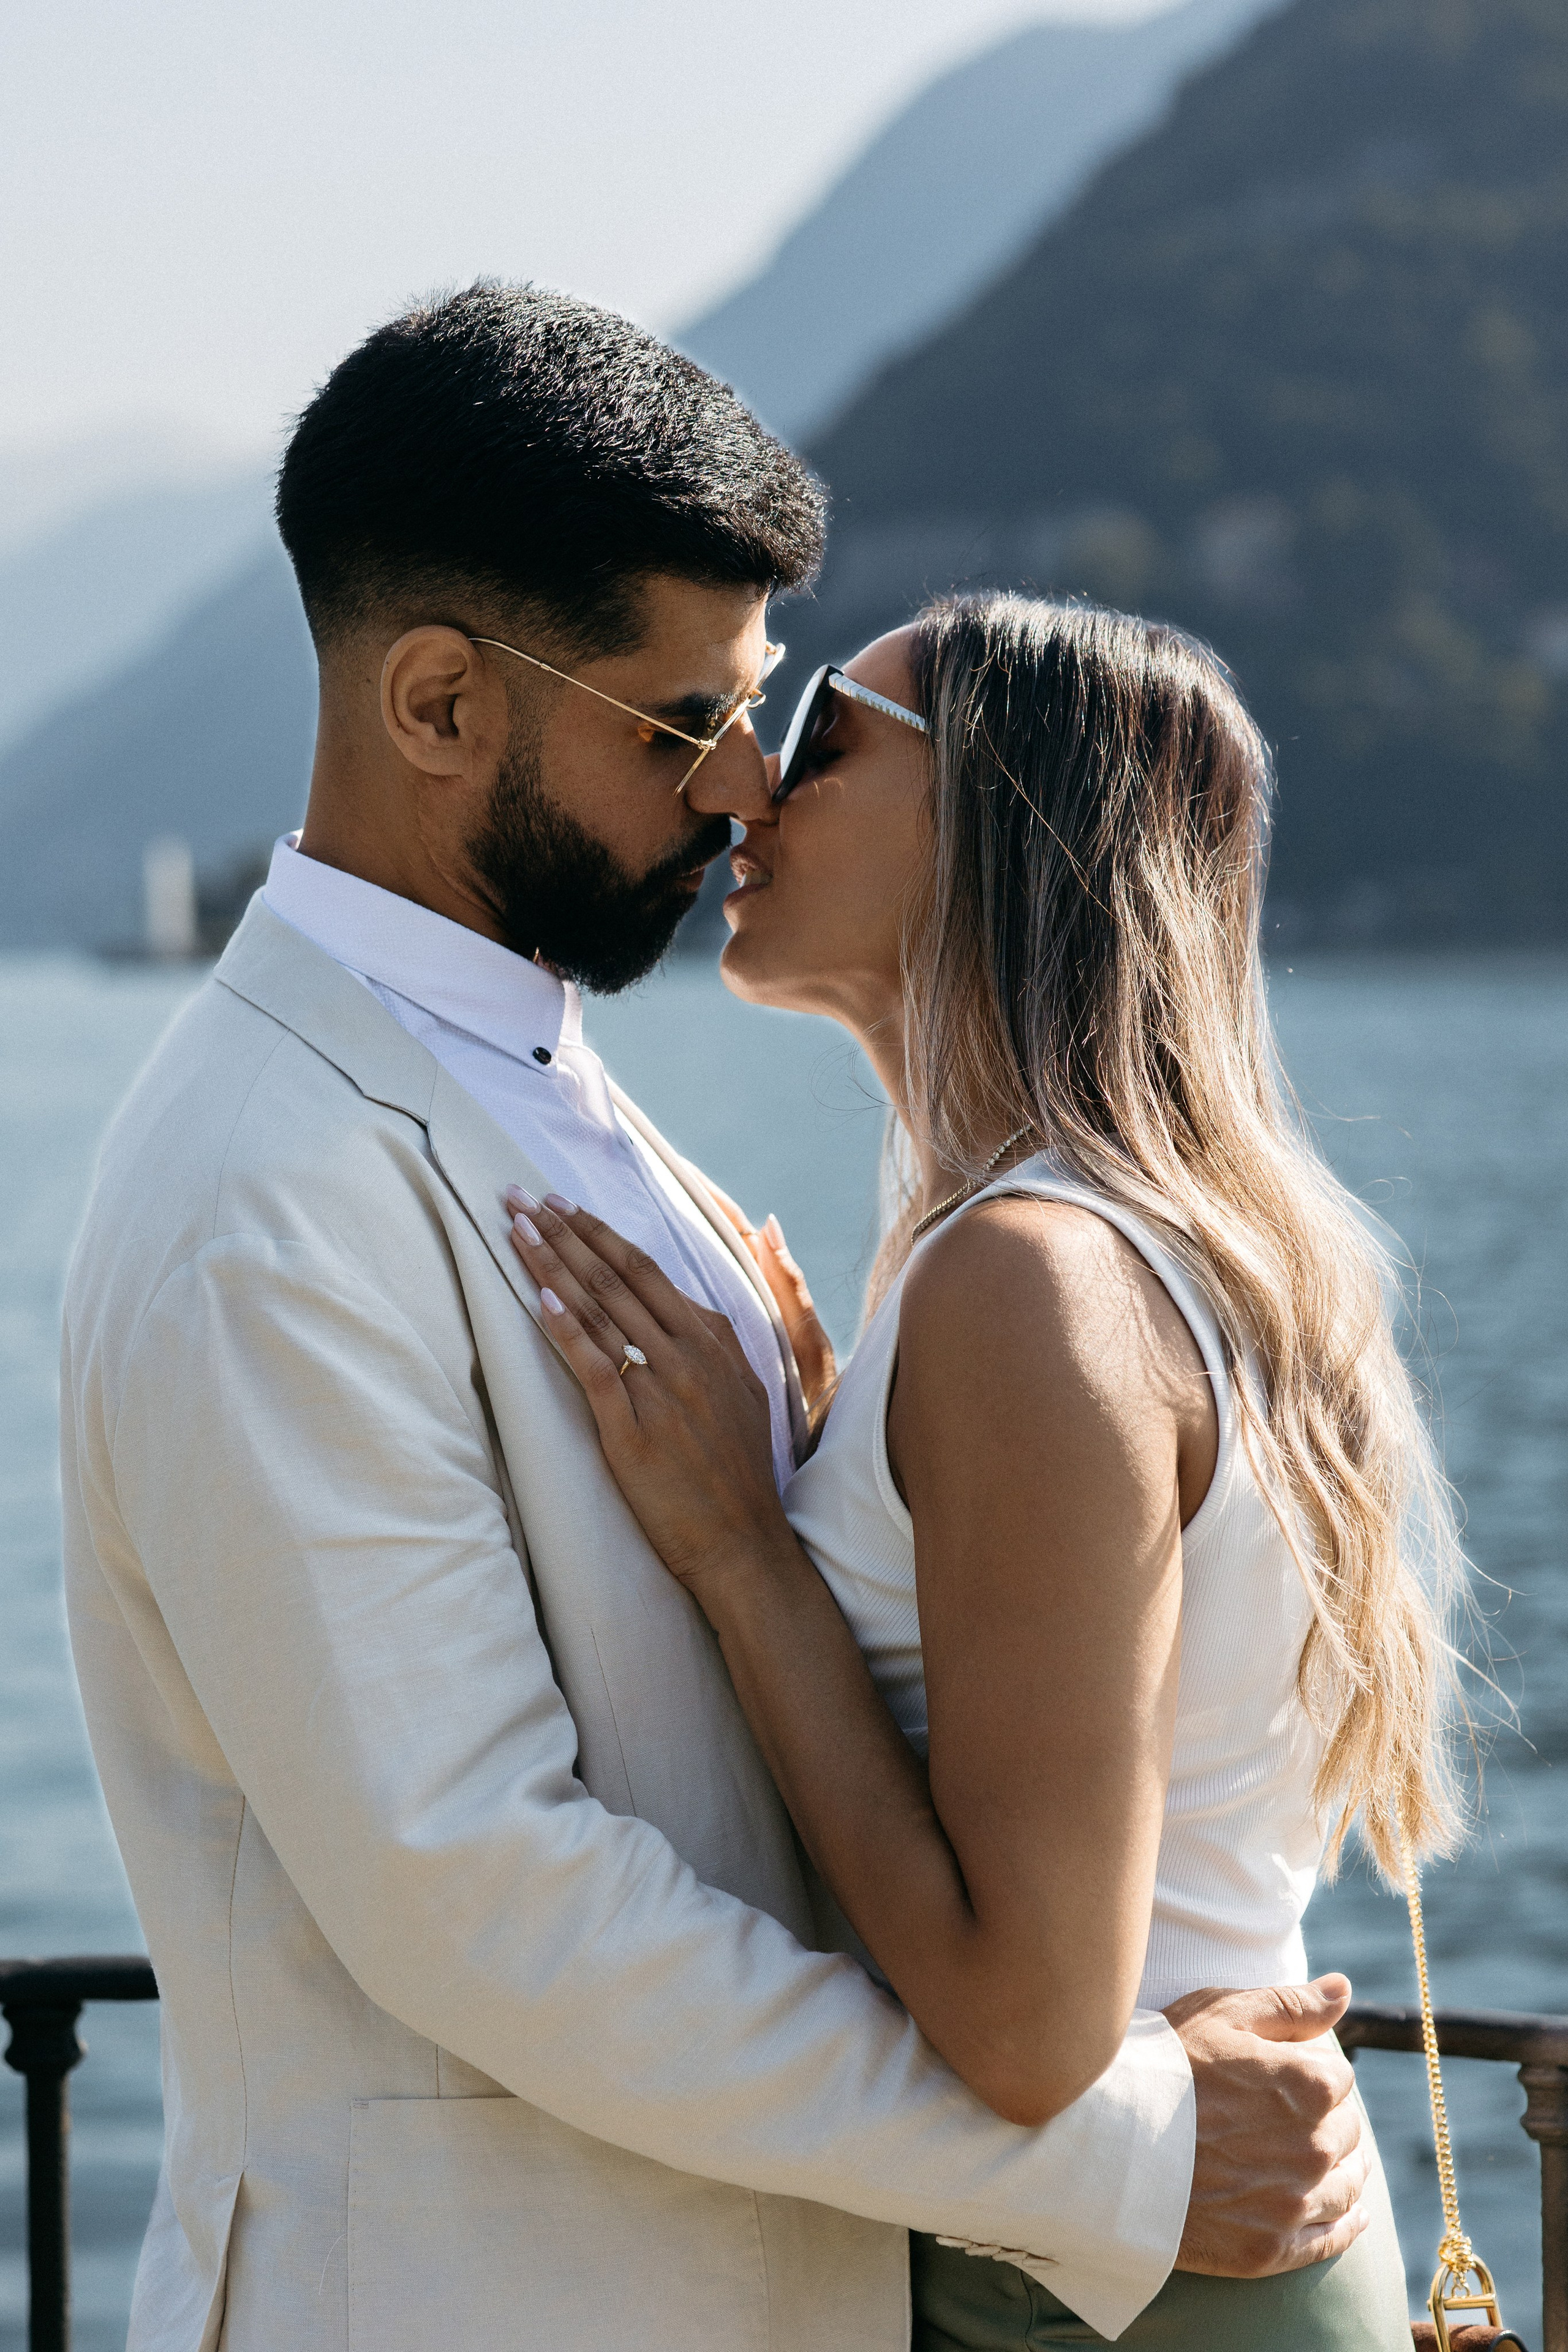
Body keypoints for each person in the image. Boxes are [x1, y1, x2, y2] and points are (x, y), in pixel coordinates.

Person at [63, 288, 1369, 2352]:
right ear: (435, 709)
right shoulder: (265, 1186)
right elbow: (484, 1893)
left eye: (768, 710)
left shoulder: (552, 1080)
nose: (745, 784)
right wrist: (1118, 2153)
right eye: (684, 723)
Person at [505, 594, 1460, 2348]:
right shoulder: (1111, 1261)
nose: (746, 795)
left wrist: (746, 1550)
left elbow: (1031, 2027)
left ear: (1008, 817)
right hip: (1174, 2264)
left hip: (1120, 2286)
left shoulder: (1029, 1280)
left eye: (826, 743)